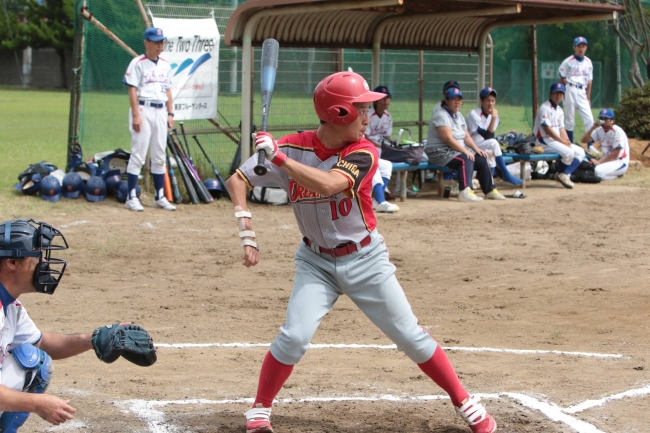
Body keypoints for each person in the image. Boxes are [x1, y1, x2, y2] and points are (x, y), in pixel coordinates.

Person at [225, 71, 497, 433]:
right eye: (361, 109)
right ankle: (259, 409)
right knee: (293, 336)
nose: (369, 116)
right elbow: (237, 180)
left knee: (411, 336)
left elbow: (330, 184)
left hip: (366, 260)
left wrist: (279, 161)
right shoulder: (292, 146)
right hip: (315, 262)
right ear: (338, 114)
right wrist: (246, 225)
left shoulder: (363, 151)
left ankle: (464, 401)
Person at [0, 219, 143, 431]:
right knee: (32, 365)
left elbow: (43, 343)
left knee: (36, 360)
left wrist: (93, 339)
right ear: (12, 262)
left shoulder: (11, 306)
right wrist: (38, 403)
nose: (43, 262)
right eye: (37, 255)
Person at [122, 27, 177, 212]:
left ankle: (159, 196)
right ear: (146, 42)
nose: (159, 45)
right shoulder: (137, 63)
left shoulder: (165, 64)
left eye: (161, 42)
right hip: (143, 109)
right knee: (138, 153)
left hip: (161, 110)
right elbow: (132, 89)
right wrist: (136, 114)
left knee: (159, 154)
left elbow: (168, 90)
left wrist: (171, 113)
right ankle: (131, 196)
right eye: (156, 42)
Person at [425, 86, 505, 202]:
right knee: (466, 159)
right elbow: (447, 139)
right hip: (438, 152)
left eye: (459, 99)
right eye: (453, 99)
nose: (457, 102)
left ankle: (490, 190)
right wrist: (465, 151)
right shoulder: (441, 115)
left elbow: (466, 136)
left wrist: (476, 149)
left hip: (454, 151)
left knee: (482, 158)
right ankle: (465, 191)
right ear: (446, 101)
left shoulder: (459, 116)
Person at [532, 82, 586, 189]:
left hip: (555, 141)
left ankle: (564, 174)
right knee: (569, 152)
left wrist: (567, 141)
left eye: (561, 94)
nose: (558, 96)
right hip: (543, 141)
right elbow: (547, 129)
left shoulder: (560, 110)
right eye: (556, 93)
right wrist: (562, 142)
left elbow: (561, 128)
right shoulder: (545, 108)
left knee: (580, 152)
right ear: (550, 93)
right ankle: (562, 174)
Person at [466, 87, 522, 186]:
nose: (490, 103)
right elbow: (488, 136)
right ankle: (505, 173)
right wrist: (494, 118)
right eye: (488, 100)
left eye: (493, 101)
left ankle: (490, 182)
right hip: (469, 145)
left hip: (482, 144)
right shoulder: (474, 114)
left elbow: (490, 135)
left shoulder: (493, 115)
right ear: (481, 101)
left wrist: (494, 117)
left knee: (491, 150)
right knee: (493, 143)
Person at [558, 36, 601, 158]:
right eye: (579, 46)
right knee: (570, 121)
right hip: (570, 89)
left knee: (589, 119)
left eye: (583, 46)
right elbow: (562, 78)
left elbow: (590, 81)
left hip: (582, 91)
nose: (581, 48)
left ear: (586, 47)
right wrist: (563, 94)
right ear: (574, 47)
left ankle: (590, 146)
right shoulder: (568, 61)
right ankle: (570, 145)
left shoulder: (588, 62)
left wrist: (588, 97)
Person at [364, 85, 400, 212]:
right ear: (376, 100)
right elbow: (366, 137)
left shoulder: (388, 116)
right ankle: (380, 199)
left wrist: (395, 144)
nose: (386, 101)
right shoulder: (367, 114)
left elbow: (387, 136)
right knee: (376, 163)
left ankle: (384, 193)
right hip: (368, 148)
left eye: (388, 98)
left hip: (381, 148)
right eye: (383, 98)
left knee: (388, 164)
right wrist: (381, 146)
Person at [581, 108, 630, 180]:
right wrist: (592, 128)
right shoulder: (599, 130)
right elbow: (584, 140)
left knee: (597, 171)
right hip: (606, 160)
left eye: (605, 119)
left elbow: (615, 153)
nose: (603, 121)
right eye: (601, 118)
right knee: (587, 165)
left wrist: (599, 162)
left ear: (612, 121)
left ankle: (616, 175)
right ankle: (613, 175)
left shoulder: (618, 131)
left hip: (620, 162)